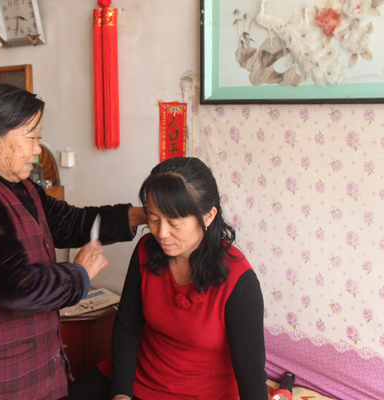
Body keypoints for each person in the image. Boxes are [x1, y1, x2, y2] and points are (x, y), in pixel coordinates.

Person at [0, 83, 147, 400]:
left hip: (25, 368)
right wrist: (80, 274)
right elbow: (14, 286)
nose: (37, 149)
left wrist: (141, 215)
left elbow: (71, 222)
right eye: (31, 138)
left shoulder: (16, 183)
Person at [66, 157, 268, 400]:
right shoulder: (146, 250)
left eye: (174, 222)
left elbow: (251, 373)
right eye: (154, 219)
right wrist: (121, 393)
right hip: (137, 377)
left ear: (208, 216)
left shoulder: (239, 281)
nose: (161, 233)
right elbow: (128, 325)